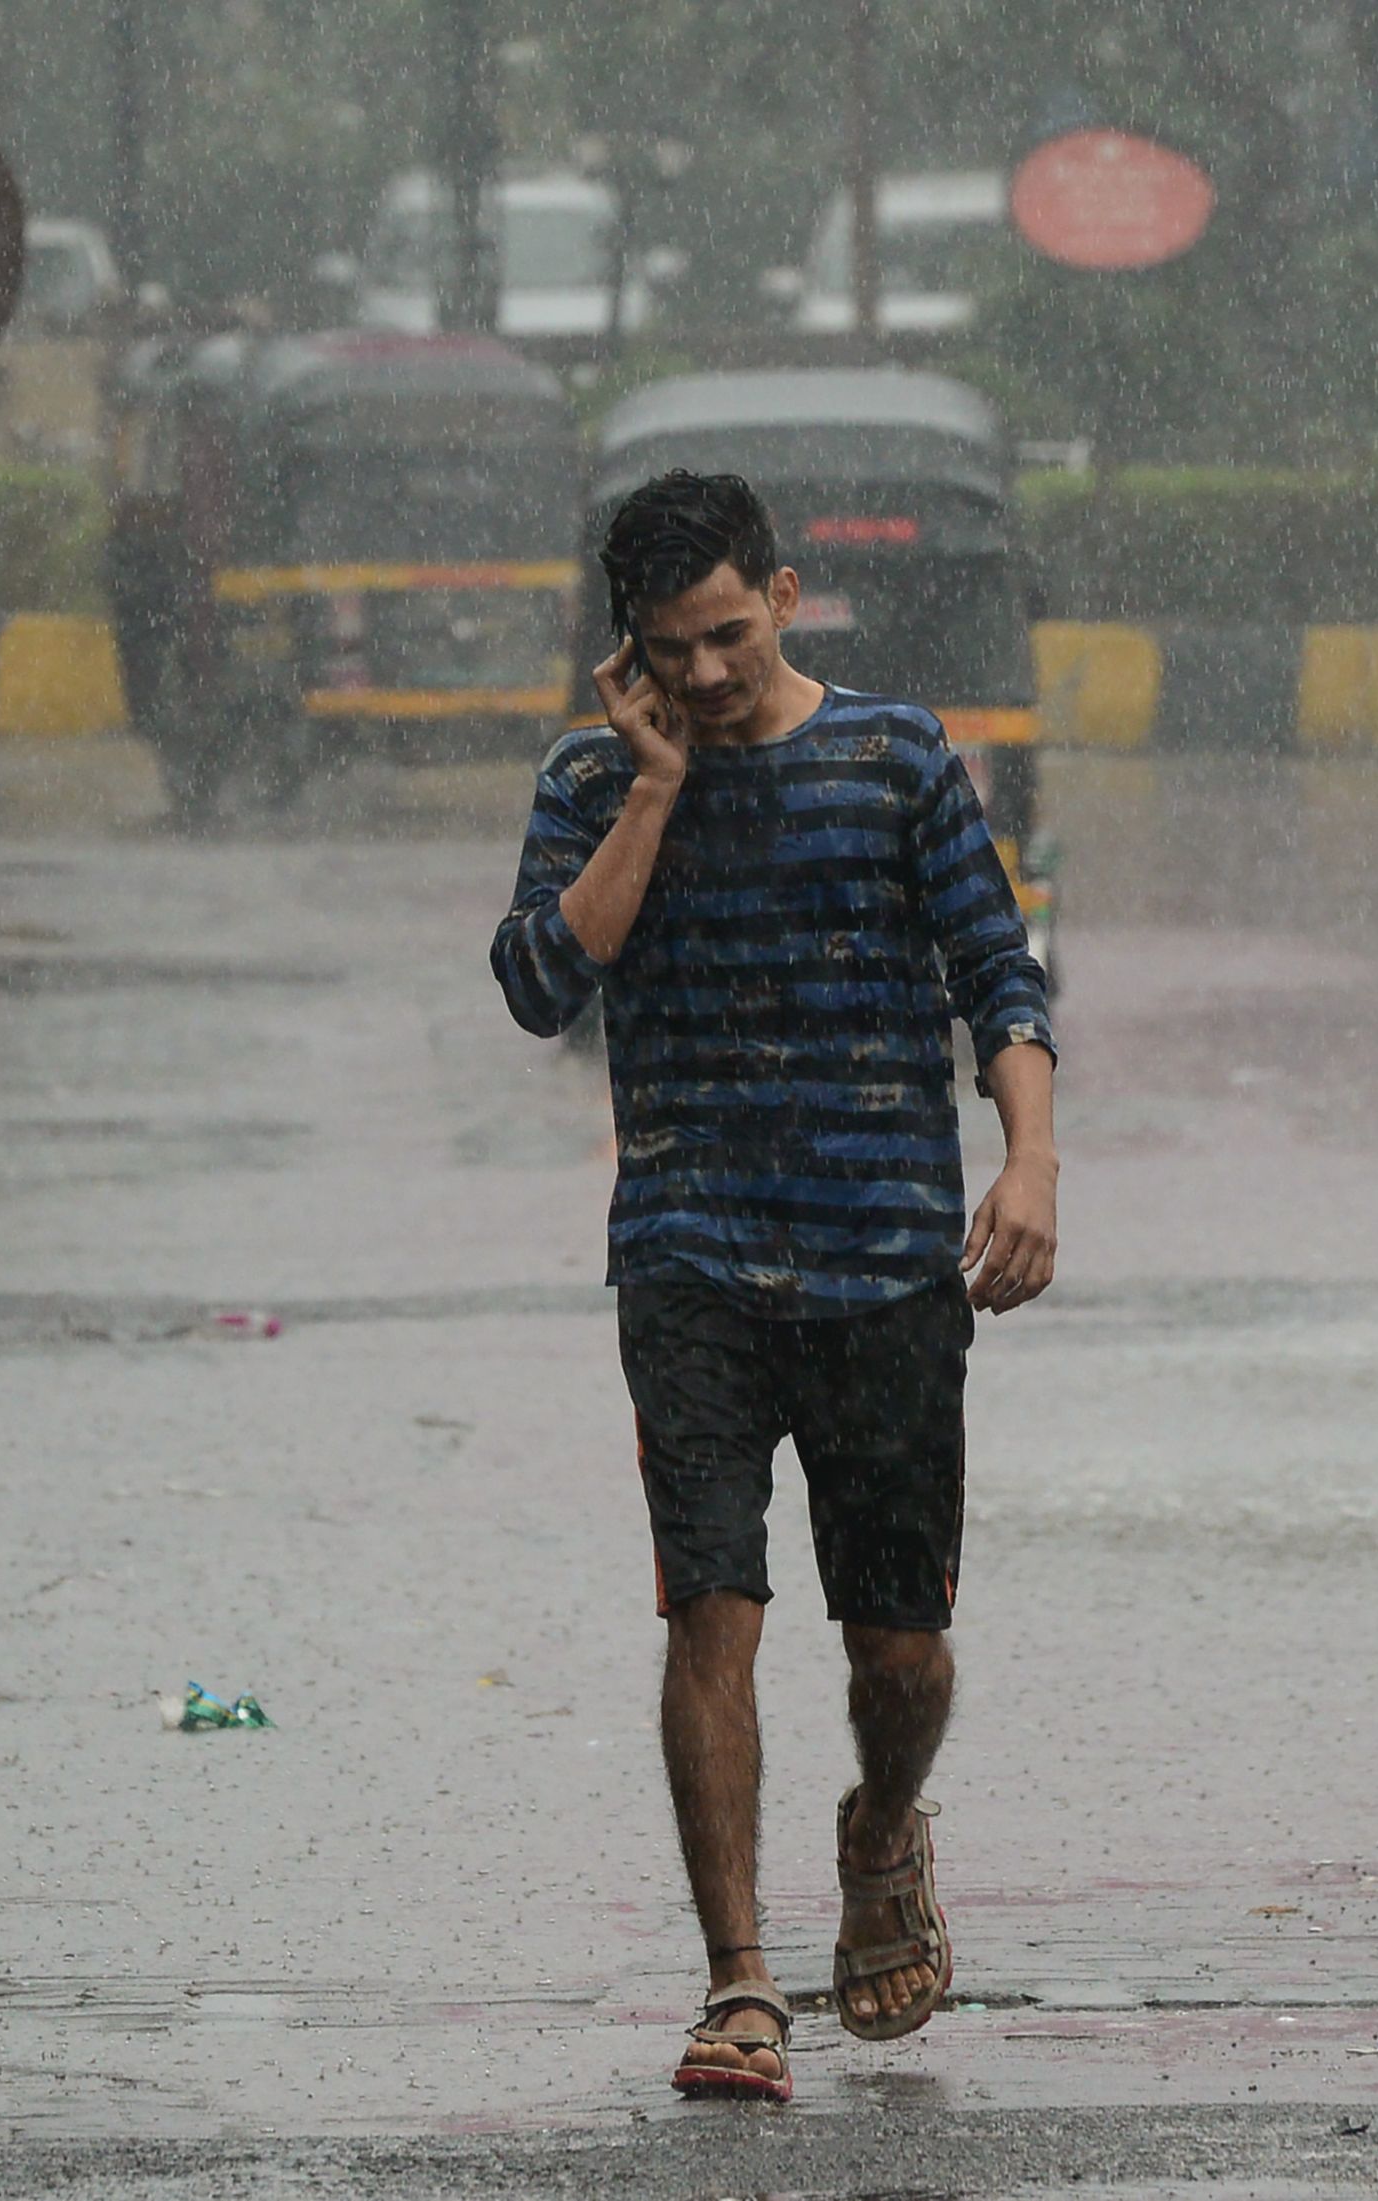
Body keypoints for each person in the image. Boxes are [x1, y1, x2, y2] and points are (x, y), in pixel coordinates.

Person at [490, 470, 1058, 2105]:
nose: (712, 673)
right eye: (675, 650)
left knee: (901, 1654)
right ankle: (739, 1981)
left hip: (887, 1265)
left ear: (787, 596)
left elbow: (998, 979)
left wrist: (1028, 1163)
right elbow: (541, 983)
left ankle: (883, 1826)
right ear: (629, 653)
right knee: (709, 1606)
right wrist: (655, 792)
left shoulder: (893, 757)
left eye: (731, 634)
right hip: (688, 1257)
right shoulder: (594, 777)